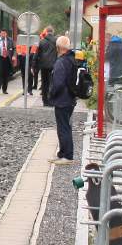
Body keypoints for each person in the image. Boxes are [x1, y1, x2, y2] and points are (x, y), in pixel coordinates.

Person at [48, 35, 77, 164]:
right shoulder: (72, 59)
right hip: (69, 98)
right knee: (65, 127)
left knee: (63, 128)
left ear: (58, 47)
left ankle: (67, 156)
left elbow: (58, 83)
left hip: (62, 99)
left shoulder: (61, 62)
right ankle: (62, 153)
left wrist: (51, 94)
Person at [38, 28, 58, 104]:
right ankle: (51, 100)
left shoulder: (41, 41)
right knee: (51, 83)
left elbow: (37, 54)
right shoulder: (56, 41)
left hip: (43, 66)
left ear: (46, 32)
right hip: (53, 65)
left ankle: (45, 101)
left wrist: (34, 65)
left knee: (44, 83)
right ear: (53, 32)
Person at [0, 29, 14, 93]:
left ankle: (4, 90)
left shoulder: (10, 40)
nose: (3, 35)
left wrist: (14, 55)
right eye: (2, 33)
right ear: (0, 34)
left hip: (7, 59)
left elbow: (14, 49)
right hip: (0, 58)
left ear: (6, 34)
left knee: (6, 74)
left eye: (4, 33)